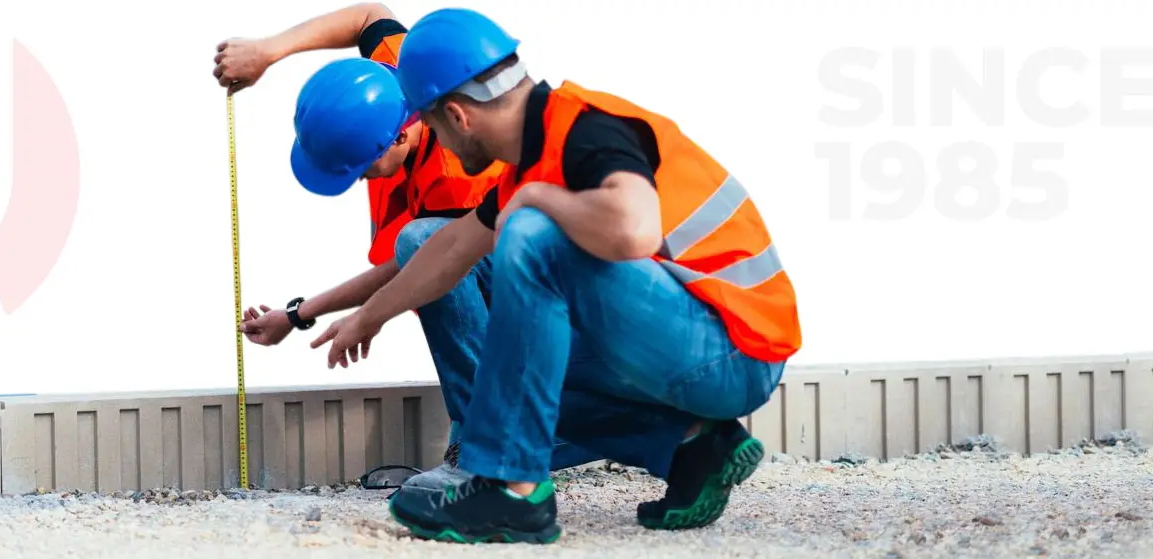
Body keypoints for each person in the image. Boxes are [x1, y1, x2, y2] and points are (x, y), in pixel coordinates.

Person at [311, 7, 803, 544]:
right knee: (481, 314)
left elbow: (635, 230)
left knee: (531, 233)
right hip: (688, 338)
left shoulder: (584, 132)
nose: (436, 146)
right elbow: (449, 250)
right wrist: (367, 318)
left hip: (733, 353)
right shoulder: (537, 155)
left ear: (458, 116)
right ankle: (691, 447)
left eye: (428, 125)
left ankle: (512, 491)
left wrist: (537, 200)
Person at [211, 3, 599, 495]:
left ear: (399, 135)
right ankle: (486, 435)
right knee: (421, 243)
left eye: (361, 168)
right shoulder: (398, 74)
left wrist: (313, 313)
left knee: (421, 242)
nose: (358, 182)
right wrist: (270, 51)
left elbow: (426, 264)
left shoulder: (464, 170)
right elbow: (369, 15)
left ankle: (498, 446)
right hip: (516, 286)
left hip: (557, 300)